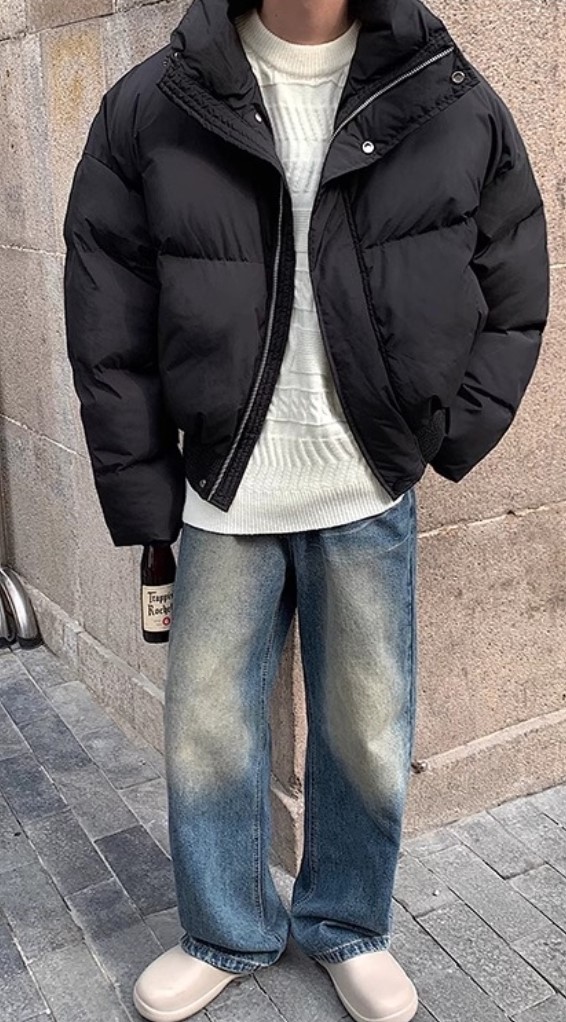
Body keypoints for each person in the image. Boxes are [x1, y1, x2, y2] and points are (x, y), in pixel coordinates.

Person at [62, 0, 550, 1019]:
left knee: (366, 727)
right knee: (207, 733)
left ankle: (346, 922)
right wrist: (145, 490)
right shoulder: (153, 103)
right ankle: (224, 927)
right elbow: (107, 313)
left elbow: (514, 271)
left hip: (364, 484)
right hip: (222, 488)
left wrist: (447, 433)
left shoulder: (445, 94)